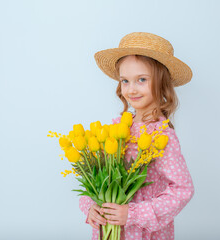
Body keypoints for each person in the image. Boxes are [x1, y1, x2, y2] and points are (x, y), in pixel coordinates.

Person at [79, 32, 195, 240]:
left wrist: (132, 213)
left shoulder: (162, 136)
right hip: (109, 230)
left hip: (142, 233)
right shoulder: (117, 128)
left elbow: (183, 189)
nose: (131, 89)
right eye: (125, 81)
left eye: (141, 79)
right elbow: (99, 178)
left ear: (161, 83)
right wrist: (91, 206)